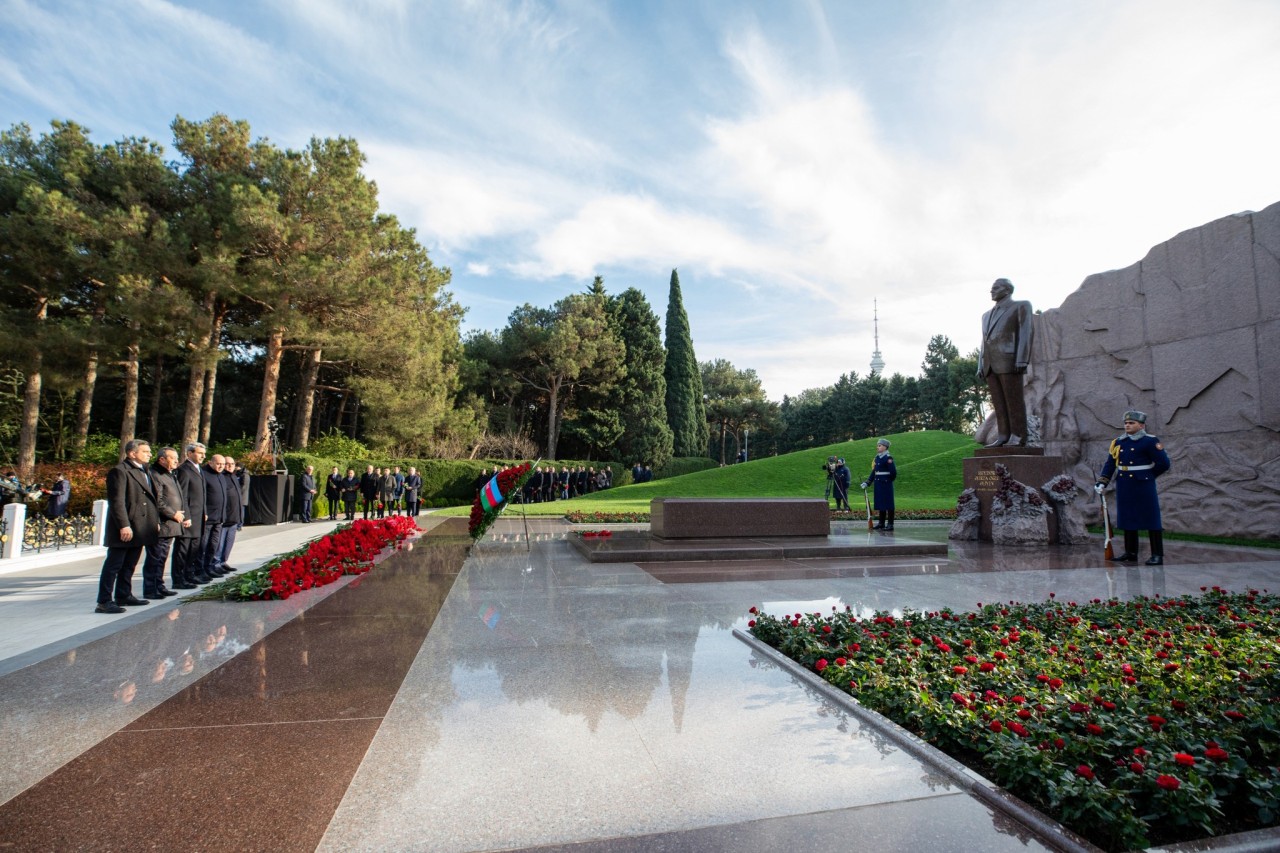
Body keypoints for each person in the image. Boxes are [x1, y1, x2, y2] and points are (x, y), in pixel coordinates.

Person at [1095, 410, 1171, 566]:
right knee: (1128, 518)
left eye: (1131, 423)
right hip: (1124, 483)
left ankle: (1157, 554)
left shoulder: (1150, 441)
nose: (1127, 426)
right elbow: (1110, 464)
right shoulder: (1118, 442)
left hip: (1143, 484)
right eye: (1126, 423)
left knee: (1152, 519)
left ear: (1141, 425)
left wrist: (1148, 476)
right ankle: (1130, 552)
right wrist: (1103, 481)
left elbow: (1164, 464)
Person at [95, 439, 159, 614]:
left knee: (130, 564)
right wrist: (124, 525)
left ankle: (124, 594)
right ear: (132, 453)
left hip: (140, 527)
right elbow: (117, 502)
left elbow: (150, 501)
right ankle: (104, 600)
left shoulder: (144, 470)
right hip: (125, 527)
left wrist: (155, 523)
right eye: (145, 451)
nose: (150, 454)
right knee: (114, 565)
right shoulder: (120, 471)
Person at [977, 277, 1035, 447]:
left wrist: (1022, 359)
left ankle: (1018, 436)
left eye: (996, 287)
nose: (992, 291)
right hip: (990, 364)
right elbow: (984, 341)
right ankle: (1003, 435)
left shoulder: (1021, 306)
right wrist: (980, 364)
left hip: (1010, 360)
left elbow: (1026, 333)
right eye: (991, 288)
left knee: (1014, 401)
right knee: (999, 403)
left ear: (1007, 290)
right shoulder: (985, 315)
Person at [142, 447, 186, 600]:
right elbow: (158, 500)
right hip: (162, 522)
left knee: (162, 557)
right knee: (155, 557)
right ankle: (150, 588)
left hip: (171, 523)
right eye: (172, 458)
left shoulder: (170, 474)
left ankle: (159, 585)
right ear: (162, 459)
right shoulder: (155, 474)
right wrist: (173, 513)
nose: (176, 460)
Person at [172, 443, 207, 586]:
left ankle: (189, 574)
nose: (203, 456)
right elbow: (183, 495)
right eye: (200, 453)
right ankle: (179, 579)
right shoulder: (184, 470)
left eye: (204, 453)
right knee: (183, 549)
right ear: (190, 453)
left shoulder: (198, 469)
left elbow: (202, 493)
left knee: (194, 548)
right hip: (189, 516)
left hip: (199, 515)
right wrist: (186, 516)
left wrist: (205, 511)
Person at [201, 454, 229, 578]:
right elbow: (203, 496)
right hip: (208, 517)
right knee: (204, 544)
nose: (221, 466)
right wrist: (204, 512)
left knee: (214, 545)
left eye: (223, 464)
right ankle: (201, 568)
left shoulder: (222, 476)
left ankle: (210, 566)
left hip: (219, 517)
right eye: (218, 464)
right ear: (211, 463)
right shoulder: (204, 475)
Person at [860, 439, 897, 530]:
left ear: (885, 447)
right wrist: (867, 482)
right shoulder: (877, 457)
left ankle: (890, 524)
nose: (877, 447)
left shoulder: (888, 458)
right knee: (881, 504)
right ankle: (881, 523)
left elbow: (893, 473)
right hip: (878, 484)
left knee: (889, 504)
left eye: (879, 445)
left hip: (886, 484)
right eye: (878, 445)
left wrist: (888, 481)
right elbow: (874, 471)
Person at [217, 457, 243, 571]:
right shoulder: (221, 477)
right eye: (227, 464)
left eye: (232, 463)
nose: (230, 466)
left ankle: (223, 561)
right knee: (219, 544)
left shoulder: (233, 476)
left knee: (228, 543)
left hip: (234, 517)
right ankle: (216, 563)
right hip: (225, 518)